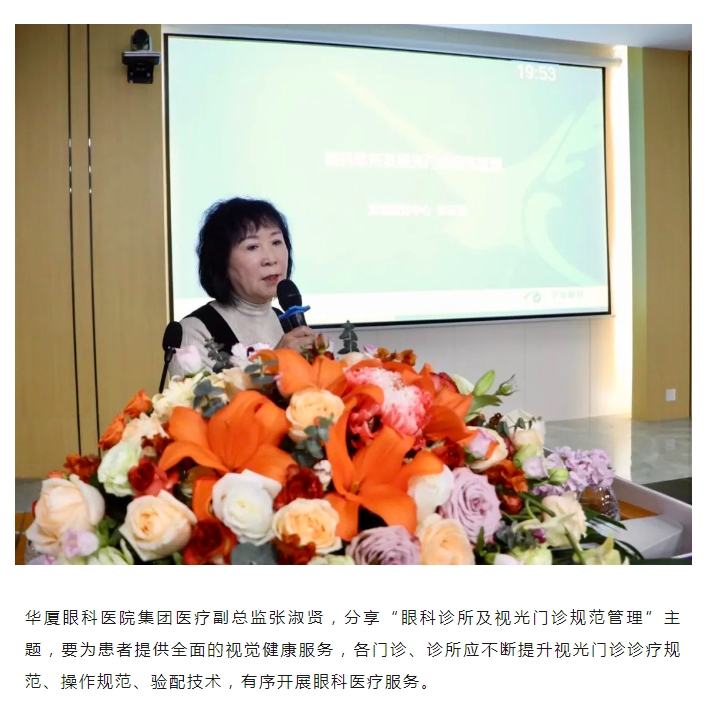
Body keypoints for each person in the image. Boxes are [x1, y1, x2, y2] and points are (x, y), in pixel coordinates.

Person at [168, 197, 316, 376]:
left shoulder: (286, 321)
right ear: (221, 261)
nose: (271, 259)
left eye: (276, 242)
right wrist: (275, 362)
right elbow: (199, 395)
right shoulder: (196, 331)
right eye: (252, 247)